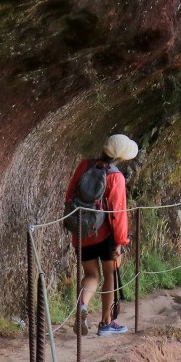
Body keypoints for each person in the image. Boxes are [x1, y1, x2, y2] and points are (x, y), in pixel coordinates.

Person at [65, 134, 138, 336]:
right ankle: (106, 323)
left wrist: (77, 226)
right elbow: (118, 213)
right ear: (121, 157)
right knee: (110, 276)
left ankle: (83, 306)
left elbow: (70, 196)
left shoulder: (84, 166)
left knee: (91, 275)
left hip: (83, 231)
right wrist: (120, 242)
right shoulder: (116, 177)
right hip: (107, 235)